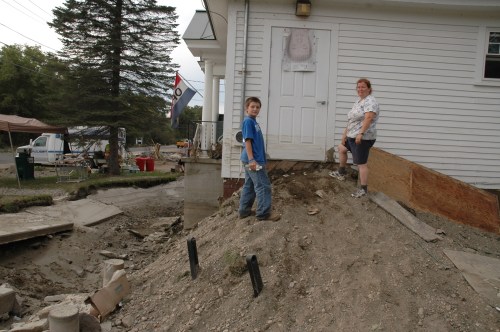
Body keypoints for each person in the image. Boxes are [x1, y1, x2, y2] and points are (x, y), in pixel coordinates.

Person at [330, 78, 380, 198]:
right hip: (351, 135)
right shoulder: (358, 101)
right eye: (358, 87)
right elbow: (351, 119)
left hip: (363, 138)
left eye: (363, 87)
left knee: (361, 163)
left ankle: (363, 189)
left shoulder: (371, 101)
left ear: (369, 89)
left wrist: (361, 134)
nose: (360, 89)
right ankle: (341, 172)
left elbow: (368, 118)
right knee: (341, 148)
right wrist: (344, 135)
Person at [238, 97, 281, 221]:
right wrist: (252, 160)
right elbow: (248, 141)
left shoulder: (254, 122)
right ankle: (263, 213)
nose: (255, 109)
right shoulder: (248, 122)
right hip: (253, 160)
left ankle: (244, 211)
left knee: (250, 185)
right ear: (247, 109)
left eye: (257, 107)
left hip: (253, 159)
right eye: (252, 106)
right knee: (263, 185)